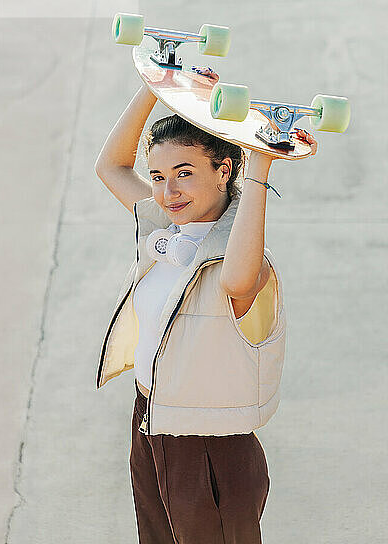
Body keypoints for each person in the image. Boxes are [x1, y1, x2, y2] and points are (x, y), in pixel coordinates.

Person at [94, 68, 318, 544]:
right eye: (157, 176)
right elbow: (110, 167)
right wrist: (155, 86)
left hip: (209, 446)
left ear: (224, 170)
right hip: (151, 420)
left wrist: (259, 167)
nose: (167, 192)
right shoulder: (167, 229)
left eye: (184, 174)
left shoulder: (241, 257)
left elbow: (238, 280)